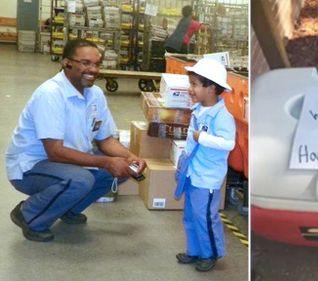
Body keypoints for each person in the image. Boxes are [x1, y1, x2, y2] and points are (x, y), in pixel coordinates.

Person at [5, 39, 147, 242]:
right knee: (81, 179)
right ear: (67, 63)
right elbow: (55, 151)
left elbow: (105, 138)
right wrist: (107, 161)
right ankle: (29, 215)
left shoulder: (95, 94)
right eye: (85, 63)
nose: (93, 69)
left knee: (121, 170)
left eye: (97, 64)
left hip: (69, 162)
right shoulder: (51, 94)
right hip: (31, 166)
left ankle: (67, 208)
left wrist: (131, 157)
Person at [175, 58, 235, 272]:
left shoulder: (222, 116)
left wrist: (203, 138)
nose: (190, 89)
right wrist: (182, 164)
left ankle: (210, 253)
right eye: (190, 84)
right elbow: (192, 141)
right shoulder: (198, 110)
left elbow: (229, 143)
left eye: (194, 84)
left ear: (211, 87)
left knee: (205, 217)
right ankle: (194, 250)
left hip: (207, 178)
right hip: (193, 173)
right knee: (190, 215)